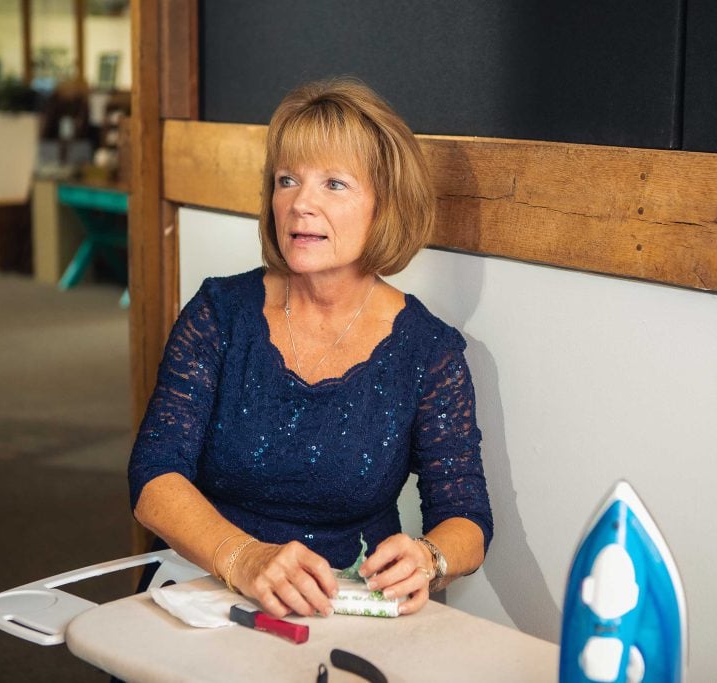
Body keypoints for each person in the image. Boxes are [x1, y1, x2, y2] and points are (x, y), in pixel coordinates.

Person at [128, 78, 492, 618]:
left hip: (340, 610)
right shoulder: (219, 313)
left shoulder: (428, 351)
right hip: (199, 589)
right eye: (288, 180)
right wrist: (244, 558)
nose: (301, 204)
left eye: (334, 185)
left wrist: (430, 557)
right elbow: (154, 474)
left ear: (385, 205)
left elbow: (466, 514)